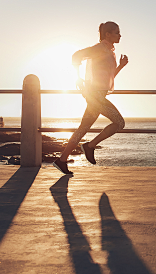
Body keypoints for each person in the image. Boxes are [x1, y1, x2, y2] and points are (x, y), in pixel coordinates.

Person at [53, 21, 128, 175]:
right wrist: (78, 78)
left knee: (83, 127)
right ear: (107, 34)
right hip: (95, 95)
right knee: (119, 122)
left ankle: (61, 160)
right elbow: (76, 56)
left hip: (97, 95)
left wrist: (121, 66)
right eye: (116, 32)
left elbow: (109, 78)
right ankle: (90, 146)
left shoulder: (109, 52)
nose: (120, 35)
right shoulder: (99, 48)